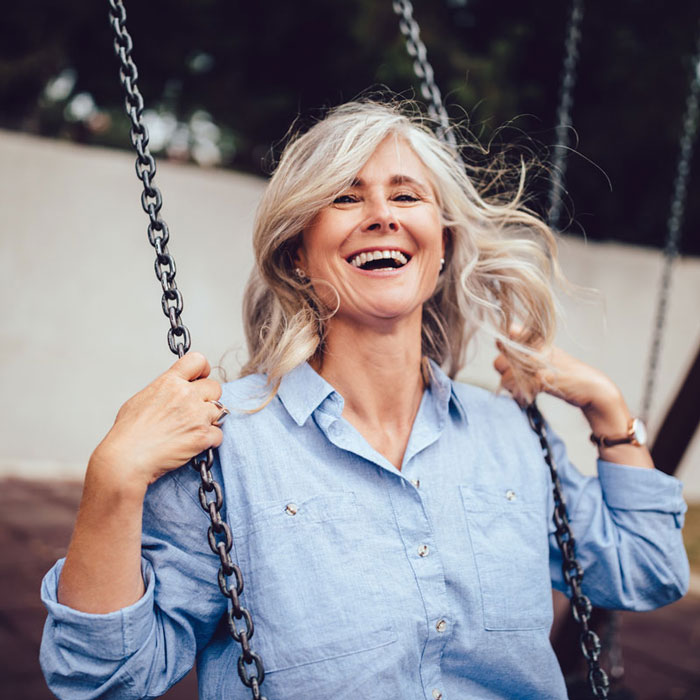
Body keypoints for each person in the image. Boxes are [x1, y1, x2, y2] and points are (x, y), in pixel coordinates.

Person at [40, 101, 688, 700]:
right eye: (346, 197)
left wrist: (608, 411)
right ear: (298, 253)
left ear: (442, 248)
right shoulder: (226, 444)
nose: (383, 214)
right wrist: (113, 481)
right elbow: (103, 679)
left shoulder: (509, 434)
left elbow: (646, 570)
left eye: (407, 195)